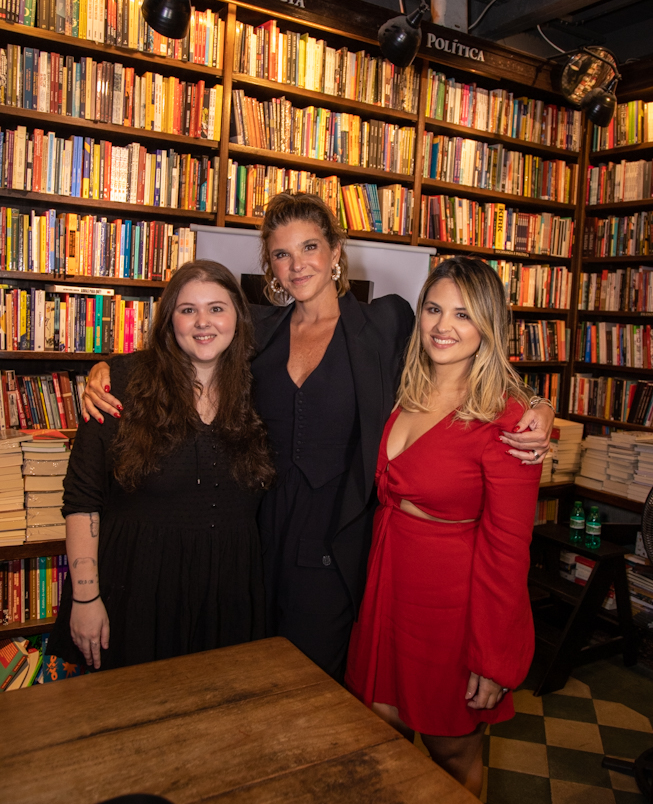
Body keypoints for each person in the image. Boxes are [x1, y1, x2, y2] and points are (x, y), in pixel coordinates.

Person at [81, 195, 554, 682]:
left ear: (336, 251)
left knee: (313, 686)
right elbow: (182, 352)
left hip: (337, 538)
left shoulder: (386, 324)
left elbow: (461, 351)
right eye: (282, 254)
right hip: (255, 537)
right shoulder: (256, 331)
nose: (297, 264)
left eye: (309, 246)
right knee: (244, 675)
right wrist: (106, 372)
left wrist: (536, 404)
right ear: (271, 266)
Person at [345, 255, 543, 797]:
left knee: (451, 752)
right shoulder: (403, 389)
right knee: (378, 733)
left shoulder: (508, 421)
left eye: (462, 314)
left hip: (451, 605)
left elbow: (509, 548)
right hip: (388, 584)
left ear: (488, 327)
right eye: (434, 309)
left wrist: (493, 655)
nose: (442, 326)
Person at [47, 260, 275, 671]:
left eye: (216, 308)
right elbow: (82, 499)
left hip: (227, 597)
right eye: (188, 310)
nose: (203, 322)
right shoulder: (120, 383)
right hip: (135, 591)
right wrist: (85, 597)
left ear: (238, 318)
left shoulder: (261, 389)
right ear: (170, 320)